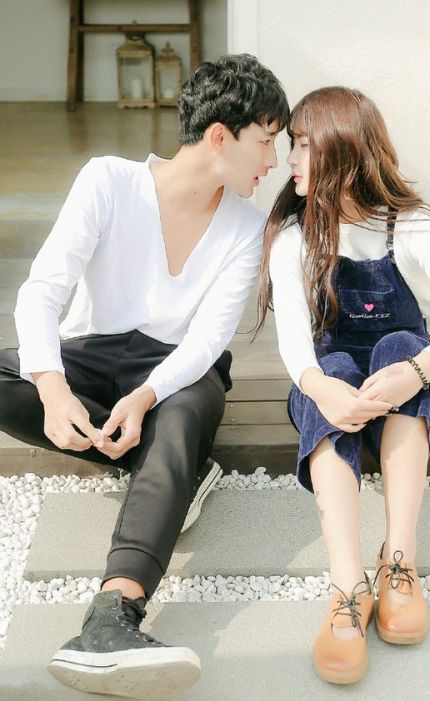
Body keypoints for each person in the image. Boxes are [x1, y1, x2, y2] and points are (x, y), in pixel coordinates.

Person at [0, 54, 288, 698]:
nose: (273, 161)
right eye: (267, 141)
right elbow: (42, 292)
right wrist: (51, 387)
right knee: (24, 371)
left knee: (179, 416)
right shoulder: (108, 181)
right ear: (221, 135)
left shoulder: (247, 226)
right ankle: (169, 467)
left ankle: (113, 617)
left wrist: (148, 393)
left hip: (177, 374)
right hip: (90, 355)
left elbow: (209, 339)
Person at [257, 86, 430, 685]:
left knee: (400, 347)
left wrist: (417, 372)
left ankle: (398, 562)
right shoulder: (294, 236)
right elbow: (294, 343)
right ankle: (348, 583)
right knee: (332, 365)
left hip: (406, 403)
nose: (291, 159)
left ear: (344, 149)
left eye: (304, 145)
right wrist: (320, 387)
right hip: (336, 403)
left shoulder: (410, 225)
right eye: (292, 145)